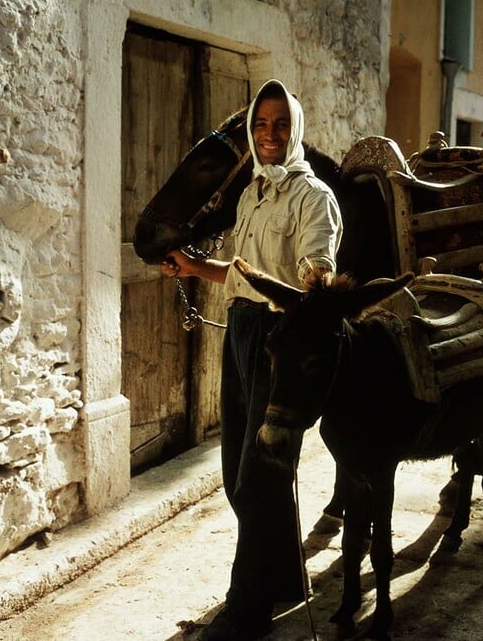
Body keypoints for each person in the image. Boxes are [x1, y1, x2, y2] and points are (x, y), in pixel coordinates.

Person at [161, 79, 343, 641]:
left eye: (280, 124)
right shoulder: (250, 195)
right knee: (236, 474)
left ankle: (247, 609)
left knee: (259, 477)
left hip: (279, 340)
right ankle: (287, 577)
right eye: (261, 125)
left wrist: (314, 279)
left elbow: (317, 277)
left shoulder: (315, 198)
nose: (269, 135)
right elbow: (241, 270)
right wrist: (196, 268)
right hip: (240, 329)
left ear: (296, 130)